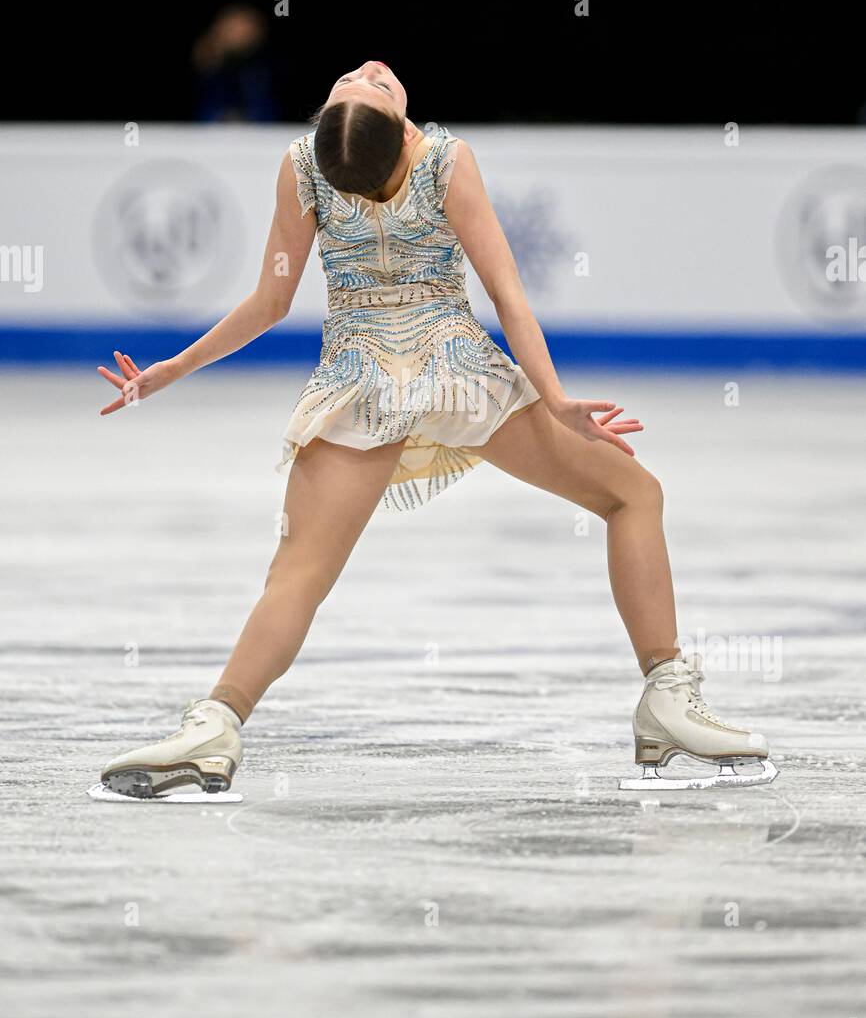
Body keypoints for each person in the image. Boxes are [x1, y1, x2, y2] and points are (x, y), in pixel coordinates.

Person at [96, 60, 777, 798]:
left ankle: (215, 725)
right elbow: (509, 296)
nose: (369, 68)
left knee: (296, 576)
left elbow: (269, 302)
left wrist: (174, 367)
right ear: (396, 134)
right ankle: (666, 699)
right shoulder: (444, 161)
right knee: (632, 496)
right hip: (458, 378)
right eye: (365, 85)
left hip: (357, 386)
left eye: (364, 81)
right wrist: (553, 401)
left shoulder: (300, 168)